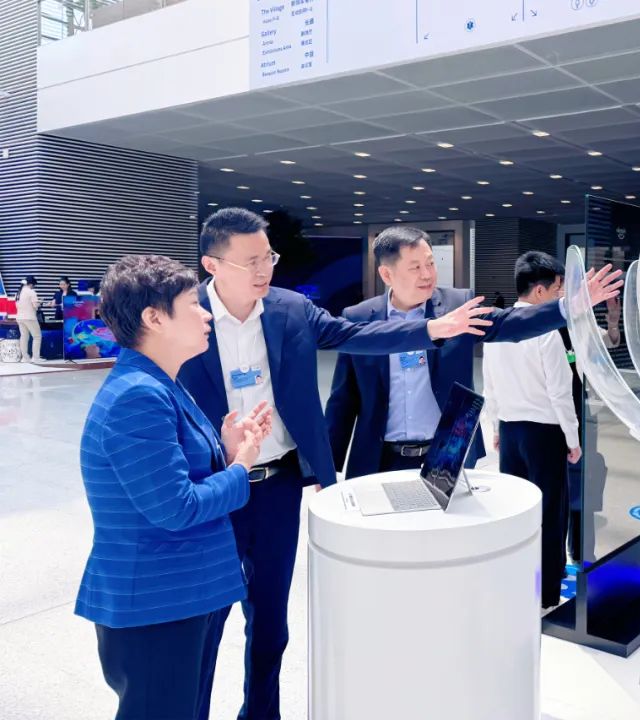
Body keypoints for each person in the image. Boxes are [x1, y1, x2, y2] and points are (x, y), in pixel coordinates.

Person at [176, 207, 491, 720]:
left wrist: (430, 329)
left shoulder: (290, 308)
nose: (264, 270)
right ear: (212, 265)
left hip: (276, 484)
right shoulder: (184, 316)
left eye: (269, 257)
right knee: (204, 621)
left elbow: (357, 337)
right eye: (251, 261)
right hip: (211, 488)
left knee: (270, 622)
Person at [76, 254, 273, 720]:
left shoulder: (159, 382)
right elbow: (176, 508)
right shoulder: (138, 395)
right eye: (192, 305)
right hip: (156, 605)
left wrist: (225, 450)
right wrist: (241, 468)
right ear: (154, 318)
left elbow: (171, 478)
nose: (206, 315)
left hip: (178, 596)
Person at [324, 226, 622, 480]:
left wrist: (569, 306)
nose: (427, 274)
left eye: (431, 263)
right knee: (383, 529)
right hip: (379, 456)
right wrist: (325, 468)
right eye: (415, 267)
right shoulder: (360, 318)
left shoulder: (456, 306)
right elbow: (343, 398)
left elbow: (509, 323)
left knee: (446, 529)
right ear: (386, 274)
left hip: (447, 451)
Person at [482, 251, 582, 609]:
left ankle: (519, 584)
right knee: (550, 514)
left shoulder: (497, 328)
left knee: (516, 512)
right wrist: (573, 439)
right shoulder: (546, 333)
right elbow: (559, 392)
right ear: (540, 291)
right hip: (545, 434)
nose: (560, 297)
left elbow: (490, 385)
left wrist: (496, 426)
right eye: (557, 289)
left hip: (511, 432)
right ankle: (548, 593)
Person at [562, 294, 621, 565]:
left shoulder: (581, 324)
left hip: (582, 411)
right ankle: (555, 554)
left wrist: (613, 321)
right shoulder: (542, 326)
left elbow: (609, 340)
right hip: (552, 414)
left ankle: (581, 550)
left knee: (582, 482)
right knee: (558, 485)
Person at [15, 275, 42, 363]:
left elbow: (17, 305)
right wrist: (40, 302)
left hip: (20, 317)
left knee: (24, 337)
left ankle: (25, 358)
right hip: (30, 317)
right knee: (37, 336)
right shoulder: (31, 292)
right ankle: (35, 357)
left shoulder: (18, 292)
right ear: (31, 284)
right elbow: (35, 305)